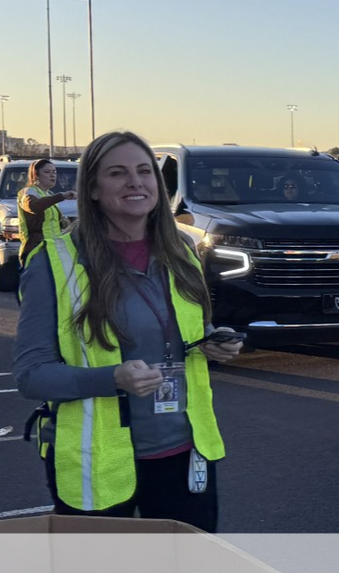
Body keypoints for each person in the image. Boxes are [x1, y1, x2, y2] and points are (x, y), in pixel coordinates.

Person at [13, 131, 241, 531]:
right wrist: (112, 378)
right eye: (118, 173)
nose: (136, 182)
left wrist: (212, 341)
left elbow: (190, 328)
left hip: (185, 451)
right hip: (97, 461)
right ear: (94, 190)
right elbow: (32, 375)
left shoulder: (183, 251)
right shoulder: (53, 264)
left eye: (144, 171)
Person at [17, 159, 76, 268]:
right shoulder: (29, 192)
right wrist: (61, 196)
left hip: (53, 248)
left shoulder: (48, 194)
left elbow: (56, 223)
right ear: (36, 175)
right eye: (47, 172)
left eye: (54, 172)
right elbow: (33, 206)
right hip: (37, 249)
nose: (52, 175)